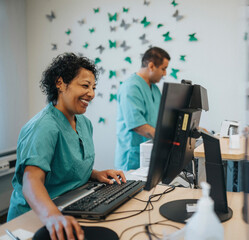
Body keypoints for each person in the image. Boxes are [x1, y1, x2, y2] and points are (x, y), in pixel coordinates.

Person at [7, 53, 126, 240]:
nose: (92, 94)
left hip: (72, 205)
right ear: (60, 83)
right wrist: (53, 217)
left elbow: (67, 166)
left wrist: (96, 174)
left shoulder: (84, 123)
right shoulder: (43, 127)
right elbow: (31, 183)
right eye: (85, 86)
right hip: (36, 217)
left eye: (93, 88)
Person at [115, 47, 170, 171]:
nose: (165, 73)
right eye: (163, 69)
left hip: (150, 154)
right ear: (151, 66)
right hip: (132, 158)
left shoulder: (154, 89)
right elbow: (138, 125)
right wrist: (168, 139)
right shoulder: (131, 87)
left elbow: (162, 118)